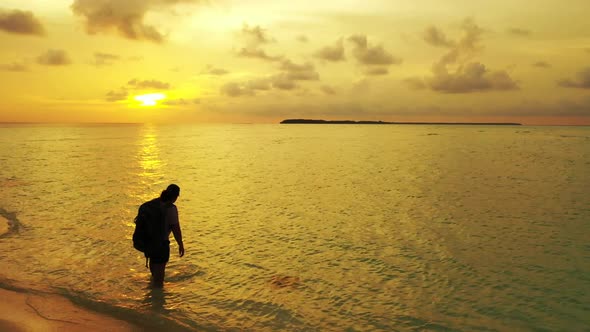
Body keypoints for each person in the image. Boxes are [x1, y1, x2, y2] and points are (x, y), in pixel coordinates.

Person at [149, 184, 185, 288]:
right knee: (159, 282)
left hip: (149, 243)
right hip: (161, 244)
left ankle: (151, 297)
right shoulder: (171, 208)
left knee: (154, 273)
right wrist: (180, 244)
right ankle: (157, 300)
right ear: (176, 196)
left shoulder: (154, 204)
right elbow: (175, 228)